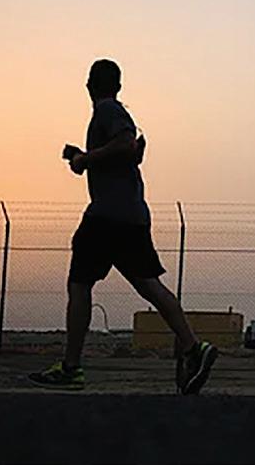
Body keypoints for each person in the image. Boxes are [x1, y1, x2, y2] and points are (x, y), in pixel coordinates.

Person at [28, 59, 218, 393]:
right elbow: (128, 151)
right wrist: (85, 156)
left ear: (89, 85)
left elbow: (125, 143)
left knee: (79, 284)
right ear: (118, 85)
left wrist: (85, 160)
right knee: (150, 286)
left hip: (106, 216)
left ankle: (71, 368)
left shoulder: (108, 111)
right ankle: (193, 348)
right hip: (131, 216)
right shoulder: (115, 113)